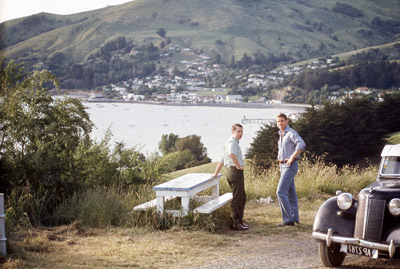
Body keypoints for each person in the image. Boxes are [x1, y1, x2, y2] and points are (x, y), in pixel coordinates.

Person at [213, 123, 249, 231]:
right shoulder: (232, 142)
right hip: (235, 171)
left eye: (242, 131)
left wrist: (215, 173)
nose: (240, 134)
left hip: (230, 171)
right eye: (238, 131)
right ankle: (236, 223)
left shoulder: (229, 143)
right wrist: (238, 166)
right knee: (238, 198)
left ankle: (239, 221)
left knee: (241, 197)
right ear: (232, 132)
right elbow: (231, 154)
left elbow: (222, 160)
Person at [275, 113, 305, 226]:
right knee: (291, 193)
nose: (280, 123)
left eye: (282, 121)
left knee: (280, 192)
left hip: (290, 166)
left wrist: (292, 158)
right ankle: (295, 218)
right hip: (282, 166)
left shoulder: (291, 133)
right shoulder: (281, 134)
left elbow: (301, 145)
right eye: (278, 121)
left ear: (287, 121)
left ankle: (288, 220)